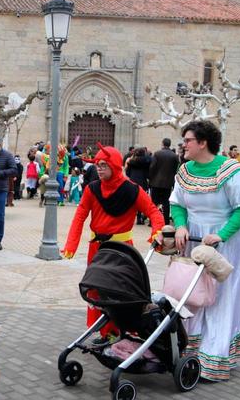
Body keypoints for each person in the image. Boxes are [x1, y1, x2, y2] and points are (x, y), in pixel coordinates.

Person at [168, 120, 240, 381]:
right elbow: (177, 203)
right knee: (194, 293)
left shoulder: (230, 170)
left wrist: (221, 235)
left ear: (203, 143)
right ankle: (190, 350)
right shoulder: (184, 171)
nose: (184, 144)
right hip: (194, 240)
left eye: (188, 140)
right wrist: (181, 226)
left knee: (219, 296)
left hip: (223, 243)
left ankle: (214, 357)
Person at [62, 143, 164, 341]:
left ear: (115, 165)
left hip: (123, 250)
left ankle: (123, 331)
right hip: (97, 249)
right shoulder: (92, 189)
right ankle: (104, 331)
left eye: (103, 165)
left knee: (121, 292)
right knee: (96, 290)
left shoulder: (132, 190)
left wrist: (157, 232)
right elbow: (79, 216)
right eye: (97, 165)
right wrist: (71, 245)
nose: (98, 168)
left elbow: (153, 211)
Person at [149, 137, 180, 224]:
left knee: (154, 202)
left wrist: (150, 178)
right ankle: (166, 221)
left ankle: (153, 221)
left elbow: (152, 167)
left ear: (162, 143)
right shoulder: (174, 156)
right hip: (167, 183)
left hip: (155, 182)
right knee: (166, 203)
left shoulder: (157, 153)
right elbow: (175, 169)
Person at [125, 146, 151, 225]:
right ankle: (139, 218)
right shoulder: (146, 162)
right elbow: (148, 174)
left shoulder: (131, 162)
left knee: (132, 200)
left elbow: (127, 173)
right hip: (142, 182)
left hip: (133, 181)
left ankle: (130, 218)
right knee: (141, 200)